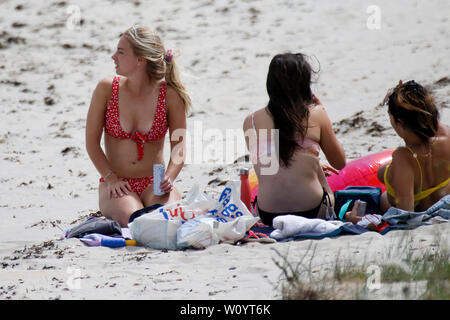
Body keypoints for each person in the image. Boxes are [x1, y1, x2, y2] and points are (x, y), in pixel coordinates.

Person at [85, 25, 190, 227]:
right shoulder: (106, 89)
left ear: (140, 60)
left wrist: (169, 177)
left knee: (168, 220)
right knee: (136, 222)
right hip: (117, 183)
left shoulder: (170, 95)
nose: (113, 56)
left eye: (121, 52)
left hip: (155, 181)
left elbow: (179, 147)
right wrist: (111, 178)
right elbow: (91, 143)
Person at [243, 53, 346, 227]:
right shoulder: (316, 113)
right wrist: (322, 111)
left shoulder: (250, 121)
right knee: (315, 164)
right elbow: (339, 162)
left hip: (268, 214)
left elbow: (268, 165)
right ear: (305, 84)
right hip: (312, 210)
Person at [346, 80, 450, 223]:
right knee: (384, 173)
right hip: (440, 199)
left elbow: (405, 217)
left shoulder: (404, 158)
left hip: (421, 211)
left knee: (383, 180)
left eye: (390, 116)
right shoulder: (446, 136)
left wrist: (361, 222)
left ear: (400, 123)